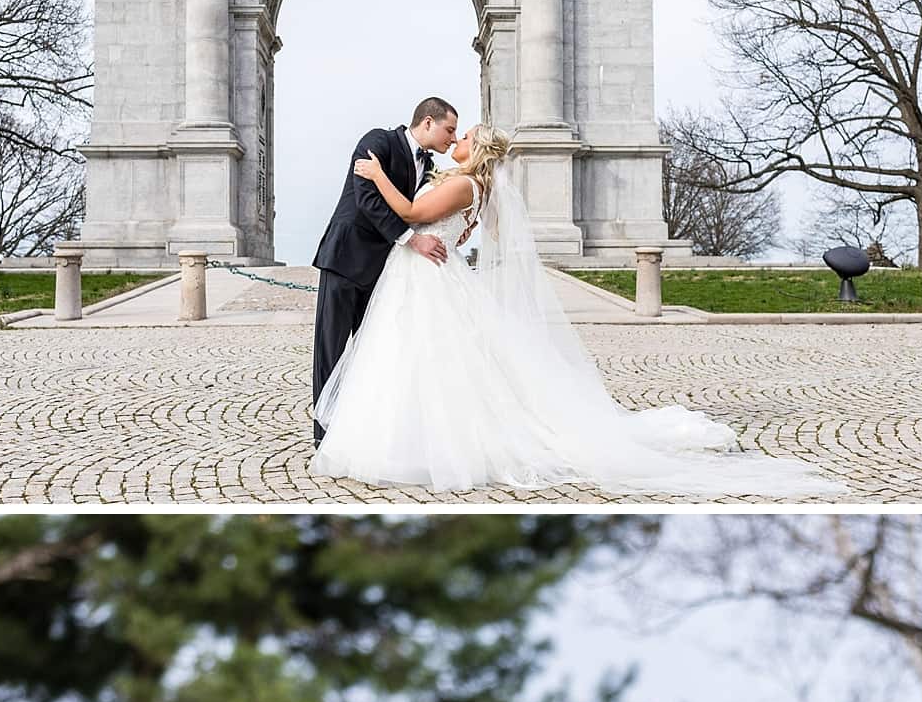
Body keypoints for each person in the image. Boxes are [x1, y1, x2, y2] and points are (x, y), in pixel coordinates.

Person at [309, 125, 839, 499]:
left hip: (424, 276)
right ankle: (403, 429)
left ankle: (410, 437)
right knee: (418, 358)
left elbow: (407, 211)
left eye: (463, 136)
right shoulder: (476, 187)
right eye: (453, 132)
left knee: (420, 355)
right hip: (417, 276)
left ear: (476, 151)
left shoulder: (461, 183)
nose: (455, 140)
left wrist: (376, 175)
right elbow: (459, 224)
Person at [310, 96, 459, 446]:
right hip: (346, 258)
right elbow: (367, 198)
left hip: (384, 271)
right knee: (331, 351)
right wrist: (411, 240)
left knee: (370, 352)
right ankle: (324, 436)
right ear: (427, 122)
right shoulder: (377, 141)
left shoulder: (431, 165)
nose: (453, 138)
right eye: (449, 129)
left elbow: (421, 209)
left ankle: (360, 429)